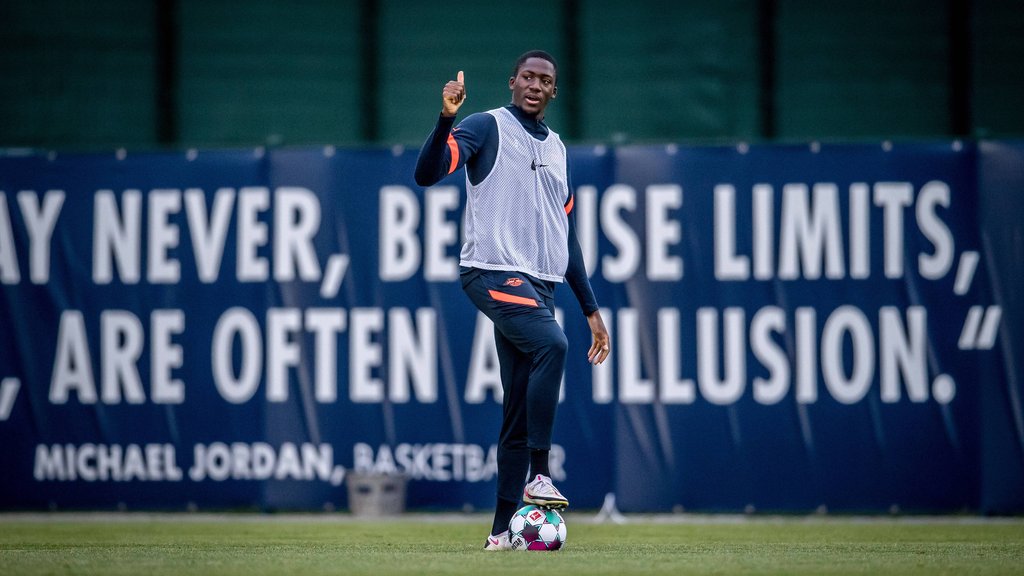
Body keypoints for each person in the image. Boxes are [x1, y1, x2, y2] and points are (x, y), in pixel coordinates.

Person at [414, 50, 610, 550]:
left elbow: (567, 238)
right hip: (492, 269)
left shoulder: (559, 148)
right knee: (554, 346)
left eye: (545, 79)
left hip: (538, 284)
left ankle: (501, 534)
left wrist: (591, 310)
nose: (535, 85)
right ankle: (540, 474)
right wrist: (446, 117)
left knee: (518, 410)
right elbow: (428, 172)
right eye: (528, 76)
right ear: (513, 81)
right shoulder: (487, 126)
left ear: (553, 91)